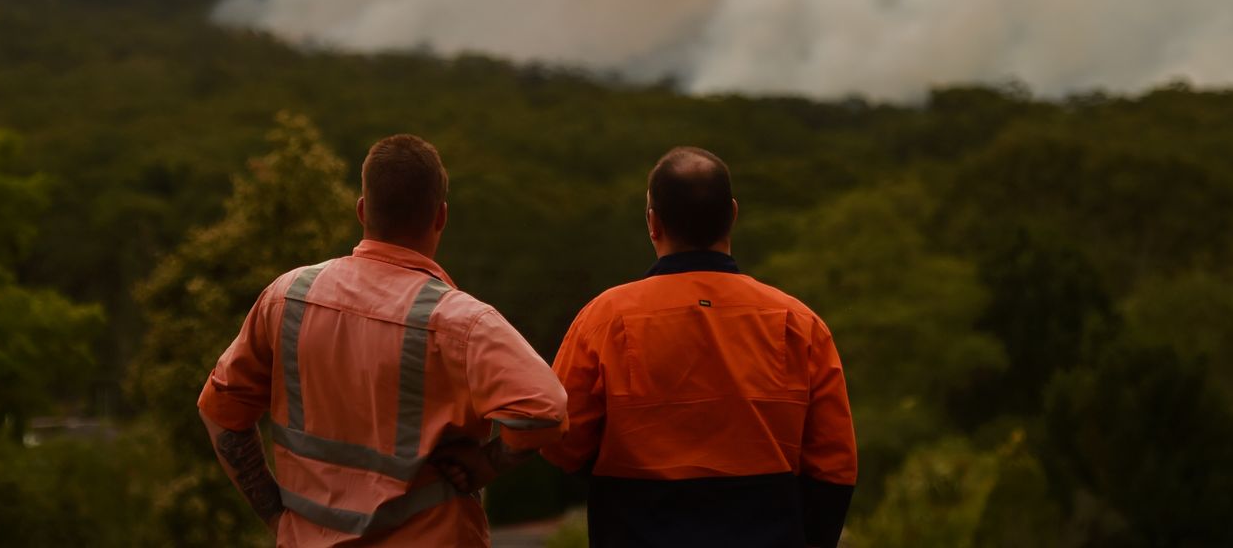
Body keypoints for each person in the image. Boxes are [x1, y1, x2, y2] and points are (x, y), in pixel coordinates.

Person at [197, 133, 568, 547]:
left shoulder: (287, 297)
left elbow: (221, 413)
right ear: (441, 216)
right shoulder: (461, 323)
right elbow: (546, 411)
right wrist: (490, 461)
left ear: (361, 210)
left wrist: (275, 517)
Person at [540, 146, 859, 547]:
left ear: (653, 223)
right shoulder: (798, 322)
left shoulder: (605, 319)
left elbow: (561, 442)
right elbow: (835, 464)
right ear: (734, 215)